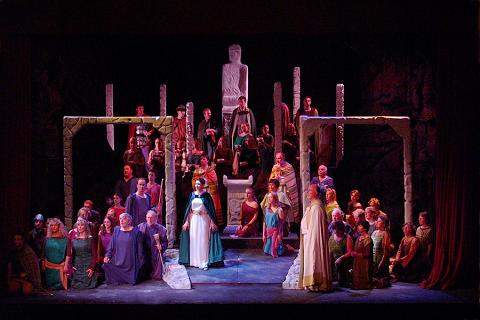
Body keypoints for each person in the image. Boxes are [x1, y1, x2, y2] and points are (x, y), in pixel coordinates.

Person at [179, 178, 224, 270]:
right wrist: (187, 221)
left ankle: (204, 261)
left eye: (199, 184)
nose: (197, 186)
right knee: (194, 239)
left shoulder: (206, 196)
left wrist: (212, 222)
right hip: (194, 220)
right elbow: (189, 210)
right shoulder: (192, 195)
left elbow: (211, 210)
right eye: (196, 184)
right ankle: (194, 261)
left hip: (204, 219)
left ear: (203, 185)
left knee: (203, 239)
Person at [299, 184, 332, 292]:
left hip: (313, 241)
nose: (307, 192)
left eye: (310, 190)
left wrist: (311, 244)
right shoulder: (313, 206)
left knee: (314, 259)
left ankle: (316, 282)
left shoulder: (316, 208)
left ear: (316, 193)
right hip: (309, 240)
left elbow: (316, 230)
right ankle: (312, 283)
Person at [103, 213, 145, 285]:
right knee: (106, 265)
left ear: (129, 221)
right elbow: (111, 246)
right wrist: (107, 256)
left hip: (130, 263)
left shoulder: (136, 232)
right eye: (120, 219)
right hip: (118, 260)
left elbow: (140, 250)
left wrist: (140, 263)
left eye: (124, 218)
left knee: (134, 278)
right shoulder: (117, 230)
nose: (121, 221)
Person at [66, 218, 98, 289]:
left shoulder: (90, 238)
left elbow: (94, 255)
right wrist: (71, 265)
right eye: (78, 225)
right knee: (75, 284)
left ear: (85, 226)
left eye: (82, 225)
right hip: (77, 264)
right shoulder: (74, 239)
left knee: (87, 284)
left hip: (88, 264)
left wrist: (92, 267)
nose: (80, 227)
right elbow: (71, 254)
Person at [191, 156, 223, 228]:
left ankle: (213, 223)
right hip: (200, 192)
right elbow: (194, 181)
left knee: (210, 207)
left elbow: (215, 182)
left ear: (207, 161)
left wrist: (206, 182)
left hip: (209, 192)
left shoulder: (211, 171)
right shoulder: (196, 171)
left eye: (204, 159)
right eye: (201, 159)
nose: (202, 160)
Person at [269, 152, 299, 229]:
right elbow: (271, 180)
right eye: (277, 158)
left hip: (286, 189)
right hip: (277, 189)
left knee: (284, 207)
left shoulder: (289, 167)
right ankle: (275, 223)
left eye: (280, 158)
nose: (278, 160)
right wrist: (276, 178)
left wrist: (282, 180)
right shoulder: (275, 167)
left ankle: (285, 225)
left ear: (283, 158)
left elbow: (291, 180)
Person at [138, 210, 168, 280]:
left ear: (156, 218)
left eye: (151, 217)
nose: (149, 219)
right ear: (146, 218)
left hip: (155, 252)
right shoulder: (140, 226)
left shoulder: (161, 229)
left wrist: (162, 246)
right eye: (148, 217)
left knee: (157, 274)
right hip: (144, 251)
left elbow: (165, 242)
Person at [43, 218, 69, 290]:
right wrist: (43, 262)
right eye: (51, 225)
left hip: (59, 267)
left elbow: (68, 254)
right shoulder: (47, 239)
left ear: (59, 226)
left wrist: (66, 265)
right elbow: (43, 252)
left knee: (59, 287)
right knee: (49, 286)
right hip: (48, 266)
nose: (53, 227)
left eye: (55, 225)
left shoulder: (65, 239)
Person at [328, 221, 353, 287]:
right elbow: (330, 252)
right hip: (334, 260)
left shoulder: (347, 237)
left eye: (338, 230)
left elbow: (349, 252)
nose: (336, 231)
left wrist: (341, 258)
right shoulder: (331, 238)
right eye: (334, 229)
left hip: (345, 259)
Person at [351, 220, 373, 290]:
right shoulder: (358, 237)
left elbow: (368, 253)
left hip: (365, 262)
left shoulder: (367, 239)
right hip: (357, 261)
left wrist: (357, 254)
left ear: (365, 228)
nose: (358, 227)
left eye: (360, 226)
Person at [263, 192, 284, 258]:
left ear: (275, 198)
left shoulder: (279, 210)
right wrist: (264, 234)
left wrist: (280, 234)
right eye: (268, 197)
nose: (269, 199)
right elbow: (264, 222)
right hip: (268, 231)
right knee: (267, 250)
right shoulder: (267, 209)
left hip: (275, 231)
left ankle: (288, 247)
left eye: (271, 197)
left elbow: (281, 223)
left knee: (276, 249)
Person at [371, 216, 391, 288]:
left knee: (381, 277)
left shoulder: (385, 234)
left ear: (383, 224)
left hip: (380, 258)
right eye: (377, 221)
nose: (377, 222)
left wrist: (382, 262)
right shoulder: (374, 233)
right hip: (374, 258)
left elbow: (386, 251)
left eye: (379, 221)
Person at [416, 211, 433, 278]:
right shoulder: (418, 229)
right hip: (418, 251)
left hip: (425, 250)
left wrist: (428, 253)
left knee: (426, 264)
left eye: (421, 218)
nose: (419, 220)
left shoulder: (430, 230)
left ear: (425, 219)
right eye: (419, 218)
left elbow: (430, 243)